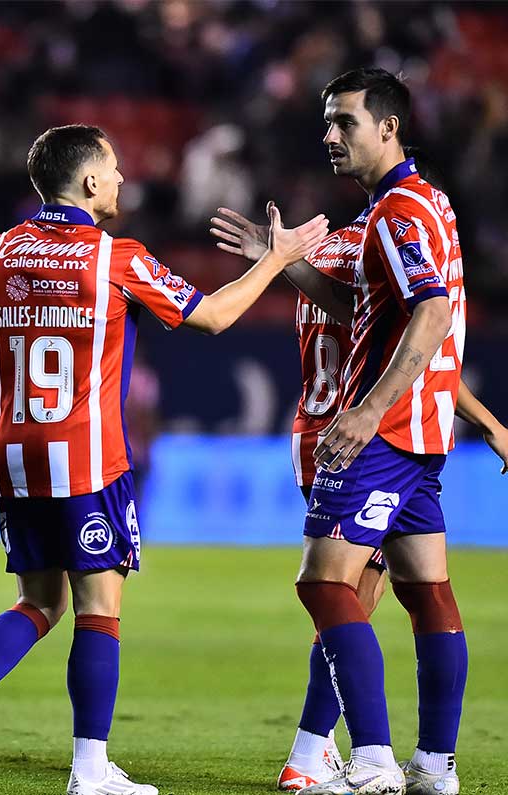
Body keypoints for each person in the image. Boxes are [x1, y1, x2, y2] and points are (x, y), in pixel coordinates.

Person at [0, 124, 328, 795]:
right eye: (113, 168)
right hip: (88, 460)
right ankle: (90, 770)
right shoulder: (116, 257)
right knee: (98, 608)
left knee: (37, 599)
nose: (120, 179)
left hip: (15, 455)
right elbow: (213, 318)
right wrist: (274, 259)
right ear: (88, 182)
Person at [213, 141, 508, 793]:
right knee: (349, 592)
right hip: (361, 433)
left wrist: (279, 256)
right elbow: (415, 345)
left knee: (359, 596)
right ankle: (330, 755)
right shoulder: (383, 250)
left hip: (319, 426)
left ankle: (317, 753)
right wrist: (486, 420)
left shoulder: (320, 252)